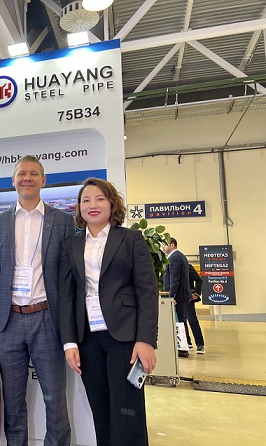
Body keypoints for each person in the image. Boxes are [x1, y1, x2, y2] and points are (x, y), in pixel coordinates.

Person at [58, 177, 158, 446]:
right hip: (87, 339)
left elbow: (147, 292)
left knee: (128, 412)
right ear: (79, 207)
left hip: (125, 339)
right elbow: (67, 296)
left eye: (100, 199)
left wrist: (146, 340)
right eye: (86, 200)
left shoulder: (131, 239)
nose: (92, 205)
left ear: (112, 203)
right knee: (100, 411)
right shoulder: (71, 245)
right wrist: (69, 342)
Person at [0, 155, 73, 445]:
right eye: (22, 173)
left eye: (34, 174)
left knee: (55, 399)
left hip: (47, 319)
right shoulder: (1, 221)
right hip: (8, 321)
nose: (27, 178)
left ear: (43, 181)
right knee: (12, 401)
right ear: (14, 180)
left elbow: (69, 277)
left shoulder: (63, 221)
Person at [162, 237, 192, 357]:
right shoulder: (179, 256)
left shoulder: (175, 258)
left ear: (172, 245)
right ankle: (186, 344)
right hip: (180, 295)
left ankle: (183, 348)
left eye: (165, 245)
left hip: (178, 296)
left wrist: (171, 296)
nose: (163, 248)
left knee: (179, 321)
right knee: (181, 320)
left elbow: (174, 279)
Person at [186, 263, 205, 354]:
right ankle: (187, 343)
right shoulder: (169, 266)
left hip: (188, 298)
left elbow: (198, 280)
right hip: (176, 298)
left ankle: (200, 344)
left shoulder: (188, 267)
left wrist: (196, 293)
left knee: (192, 320)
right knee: (181, 322)